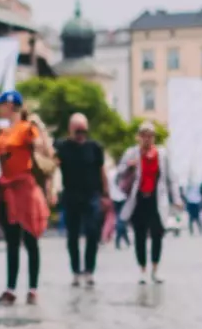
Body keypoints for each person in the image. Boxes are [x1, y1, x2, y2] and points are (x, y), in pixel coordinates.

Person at [0, 90, 50, 305]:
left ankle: (33, 289)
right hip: (7, 188)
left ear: (11, 105)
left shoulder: (26, 128)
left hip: (24, 187)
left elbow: (44, 150)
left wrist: (39, 129)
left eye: (1, 105)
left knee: (30, 239)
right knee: (12, 241)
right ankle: (11, 289)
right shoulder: (3, 131)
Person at [116, 121, 180, 284]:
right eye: (143, 135)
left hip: (156, 199)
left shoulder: (162, 154)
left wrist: (177, 199)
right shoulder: (132, 153)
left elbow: (171, 178)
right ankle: (143, 270)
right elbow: (119, 174)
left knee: (157, 234)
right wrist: (130, 167)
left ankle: (155, 269)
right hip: (138, 200)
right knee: (140, 236)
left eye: (150, 135)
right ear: (139, 137)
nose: (147, 139)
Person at [54, 112, 107, 286]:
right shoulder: (62, 146)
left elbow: (102, 171)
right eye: (77, 131)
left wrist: (106, 194)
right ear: (70, 129)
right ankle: (76, 271)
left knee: (93, 232)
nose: (80, 135)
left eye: (83, 130)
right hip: (71, 195)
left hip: (91, 195)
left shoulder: (95, 147)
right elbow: (51, 164)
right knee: (73, 235)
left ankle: (89, 270)